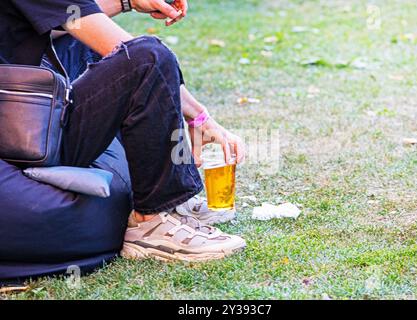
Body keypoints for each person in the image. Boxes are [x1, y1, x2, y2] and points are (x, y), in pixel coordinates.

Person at [0, 0, 246, 262]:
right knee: (148, 56)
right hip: (20, 134)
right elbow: (123, 48)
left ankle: (172, 197)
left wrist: (127, 2)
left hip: (22, 114)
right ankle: (150, 223)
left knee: (82, 43)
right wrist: (200, 118)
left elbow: (66, 16)